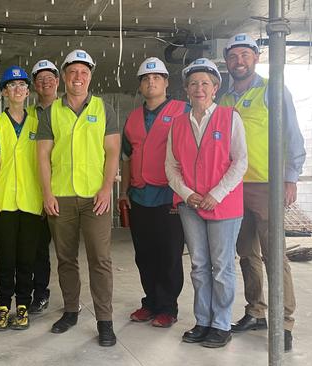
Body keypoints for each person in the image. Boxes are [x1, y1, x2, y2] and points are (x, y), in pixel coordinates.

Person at [219, 33, 306, 352]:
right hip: (234, 188)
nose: (238, 61)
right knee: (246, 254)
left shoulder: (273, 89)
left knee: (274, 255)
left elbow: (292, 134)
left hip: (267, 185)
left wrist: (290, 178)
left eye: (244, 55)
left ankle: (284, 321)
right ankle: (255, 311)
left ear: (255, 58)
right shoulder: (224, 98)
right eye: (232, 56)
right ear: (227, 62)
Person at [37, 49, 121, 347]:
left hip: (95, 196)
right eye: (73, 72)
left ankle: (105, 320)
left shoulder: (104, 108)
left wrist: (106, 188)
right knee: (66, 258)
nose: (78, 77)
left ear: (90, 76)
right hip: (61, 196)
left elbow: (112, 151)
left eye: (84, 72)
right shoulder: (51, 113)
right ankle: (71, 311)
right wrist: (47, 193)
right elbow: (43, 156)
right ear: (64, 76)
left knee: (100, 259)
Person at [166, 58, 247, 348]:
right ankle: (203, 321)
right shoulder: (177, 124)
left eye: (205, 83)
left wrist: (217, 193)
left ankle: (221, 324)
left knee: (222, 266)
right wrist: (187, 194)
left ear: (215, 88)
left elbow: (240, 161)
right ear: (186, 90)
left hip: (222, 205)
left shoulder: (229, 117)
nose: (199, 88)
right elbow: (171, 166)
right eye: (193, 84)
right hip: (191, 206)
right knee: (199, 265)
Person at [120, 57, 188, 328]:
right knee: (144, 254)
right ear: (140, 86)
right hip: (139, 196)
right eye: (146, 79)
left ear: (166, 83)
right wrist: (124, 191)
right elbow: (126, 157)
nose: (151, 82)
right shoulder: (133, 118)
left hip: (170, 197)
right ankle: (151, 302)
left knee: (169, 255)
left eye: (157, 78)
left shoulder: (183, 110)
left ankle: (168, 307)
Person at [0, 66, 44, 331]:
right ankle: (2, 306)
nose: (18, 89)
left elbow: (46, 161)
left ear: (28, 92)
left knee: (27, 257)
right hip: (4, 200)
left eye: (22, 85)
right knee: (5, 257)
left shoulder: (38, 121)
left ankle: (23, 304)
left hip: (32, 201)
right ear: (5, 92)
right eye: (12, 85)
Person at [27, 59, 59, 314]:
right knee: (37, 247)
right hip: (36, 192)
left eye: (49, 79)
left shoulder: (67, 112)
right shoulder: (28, 117)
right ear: (35, 86)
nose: (45, 83)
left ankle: (72, 298)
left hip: (65, 190)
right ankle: (39, 293)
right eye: (40, 80)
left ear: (57, 82)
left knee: (67, 251)